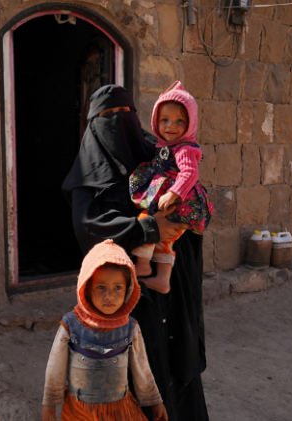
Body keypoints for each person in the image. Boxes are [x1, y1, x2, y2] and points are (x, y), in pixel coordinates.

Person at [63, 85, 210, 421]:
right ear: (93, 122)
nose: (119, 121)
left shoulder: (157, 152)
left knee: (176, 365)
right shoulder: (88, 174)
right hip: (126, 296)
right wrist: (149, 227)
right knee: (139, 373)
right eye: (108, 116)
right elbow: (89, 227)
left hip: (173, 288)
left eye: (126, 113)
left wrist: (179, 219)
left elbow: (195, 198)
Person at [41, 240, 169, 421]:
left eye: (118, 287)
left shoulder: (130, 327)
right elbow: (56, 368)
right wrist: (49, 402)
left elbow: (142, 368)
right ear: (86, 288)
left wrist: (155, 401)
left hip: (120, 410)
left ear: (128, 290)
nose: (109, 295)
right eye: (101, 287)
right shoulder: (71, 324)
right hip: (80, 411)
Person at [128, 81, 213, 294]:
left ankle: (143, 265)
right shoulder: (165, 146)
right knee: (167, 239)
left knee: (147, 222)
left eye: (179, 121)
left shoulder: (184, 148)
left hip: (181, 201)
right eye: (164, 120)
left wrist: (173, 193)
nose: (170, 126)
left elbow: (190, 173)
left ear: (190, 124)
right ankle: (163, 279)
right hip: (175, 199)